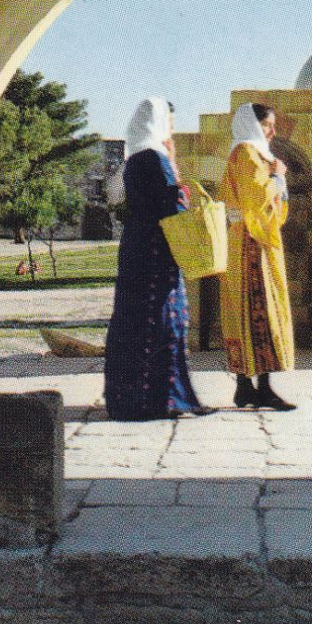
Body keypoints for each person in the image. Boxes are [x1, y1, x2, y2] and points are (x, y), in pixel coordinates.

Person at [103, 97, 211, 420]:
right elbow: (172, 204)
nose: (172, 133)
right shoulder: (156, 158)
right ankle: (164, 398)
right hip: (156, 251)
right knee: (164, 318)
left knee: (134, 319)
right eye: (171, 125)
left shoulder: (135, 158)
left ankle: (133, 398)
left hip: (138, 247)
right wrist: (180, 181)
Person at [219, 102, 296, 411]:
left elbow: (273, 207)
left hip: (255, 240)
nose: (273, 132)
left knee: (254, 310)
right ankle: (255, 388)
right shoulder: (246, 153)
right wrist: (277, 177)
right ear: (254, 126)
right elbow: (255, 200)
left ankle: (248, 388)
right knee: (256, 308)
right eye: (267, 125)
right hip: (251, 243)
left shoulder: (254, 154)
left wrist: (278, 180)